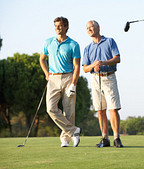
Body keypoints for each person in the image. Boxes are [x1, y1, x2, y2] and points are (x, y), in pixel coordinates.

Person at [40, 16, 81, 147]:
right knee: (50, 108)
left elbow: (77, 66)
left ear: (66, 27)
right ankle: (73, 130)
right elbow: (42, 59)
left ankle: (65, 139)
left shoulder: (73, 44)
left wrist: (73, 84)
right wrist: (47, 73)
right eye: (56, 26)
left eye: (60, 26)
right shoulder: (48, 42)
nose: (57, 28)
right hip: (53, 78)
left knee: (69, 110)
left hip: (68, 77)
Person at [82, 20, 123, 148]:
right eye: (87, 28)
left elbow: (117, 58)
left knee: (113, 109)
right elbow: (84, 68)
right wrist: (93, 65)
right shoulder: (87, 48)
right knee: (100, 110)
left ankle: (116, 138)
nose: (89, 29)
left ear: (98, 27)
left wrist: (103, 63)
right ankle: (105, 138)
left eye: (91, 27)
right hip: (95, 79)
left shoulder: (110, 41)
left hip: (109, 77)